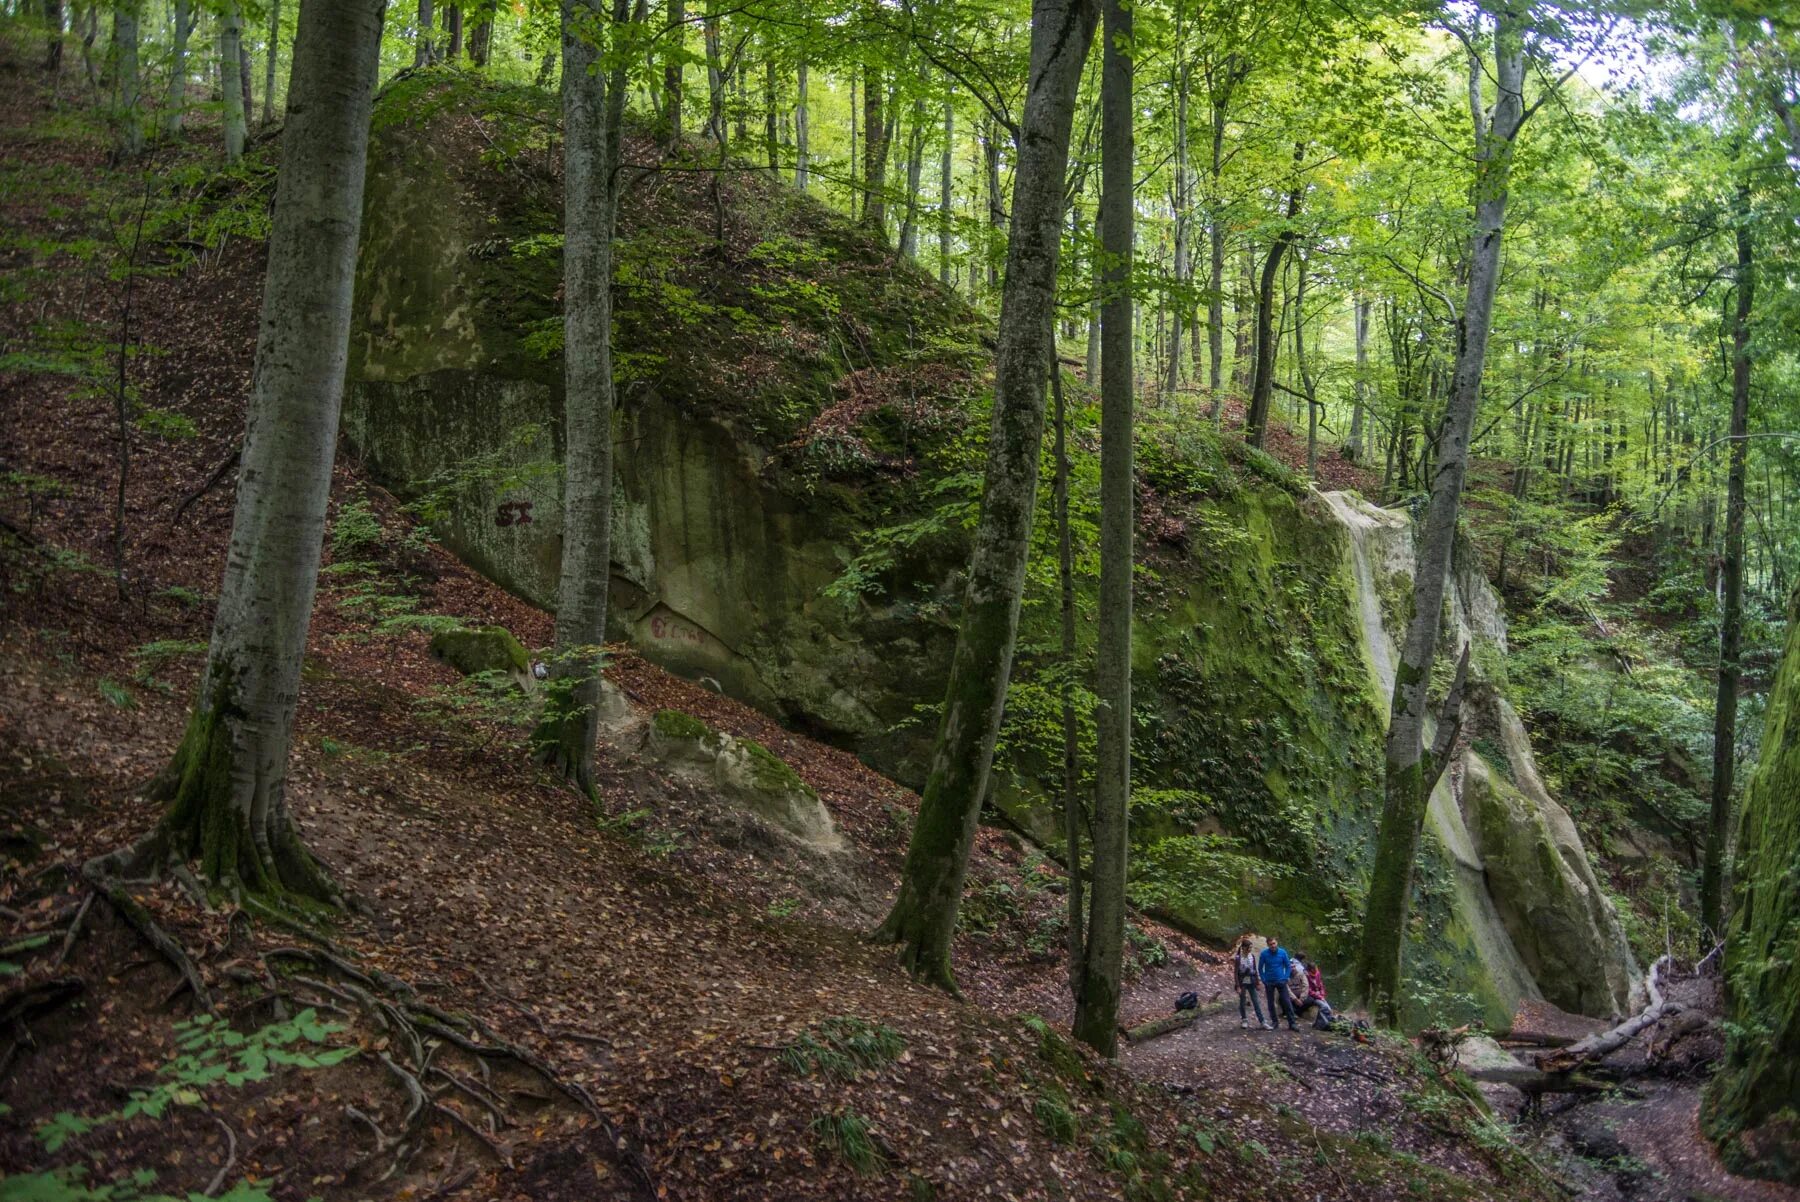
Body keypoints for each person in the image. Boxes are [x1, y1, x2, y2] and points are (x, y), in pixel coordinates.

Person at [1258, 936, 1298, 1031]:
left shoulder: (1282, 952)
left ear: (1277, 943)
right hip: (1269, 982)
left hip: (1281, 981)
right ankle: (1275, 1022)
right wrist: (1264, 980)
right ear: (1268, 945)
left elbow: (1288, 966)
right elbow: (1260, 968)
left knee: (1286, 1002)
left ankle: (1292, 1023)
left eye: (1274, 943)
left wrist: (1285, 977)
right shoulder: (1264, 954)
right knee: (1271, 1003)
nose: (1273, 946)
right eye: (1271, 944)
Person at [1232, 936, 1266, 1029]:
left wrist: (1257, 982)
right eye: (1249, 947)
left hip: (1251, 980)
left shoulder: (1252, 957)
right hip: (1242, 981)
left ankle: (1262, 1021)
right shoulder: (1238, 958)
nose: (1250, 949)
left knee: (1255, 1001)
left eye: (1251, 947)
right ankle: (1244, 1019)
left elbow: (1254, 969)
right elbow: (1235, 973)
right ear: (1243, 948)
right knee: (1242, 1000)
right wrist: (1238, 986)